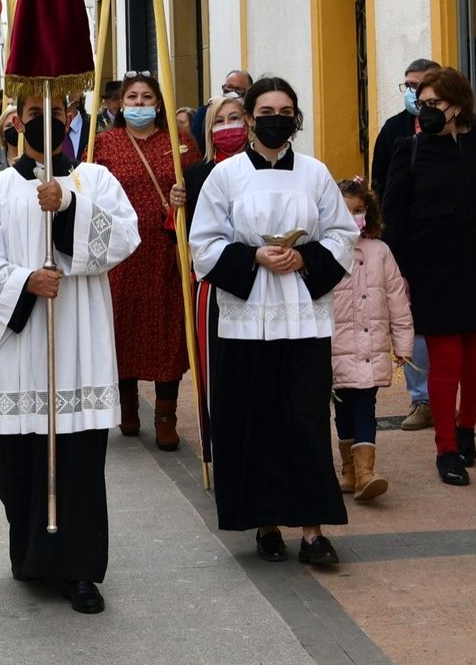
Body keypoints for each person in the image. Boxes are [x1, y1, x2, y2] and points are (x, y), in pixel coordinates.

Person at [0, 93, 141, 614]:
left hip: (79, 343)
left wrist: (70, 208)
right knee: (17, 460)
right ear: (17, 121)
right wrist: (24, 281)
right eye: (36, 113)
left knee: (80, 459)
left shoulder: (95, 181)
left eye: (58, 112)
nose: (47, 120)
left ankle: (81, 569)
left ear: (70, 120)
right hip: (21, 347)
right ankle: (32, 554)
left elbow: (126, 236)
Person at [188, 76, 356, 566]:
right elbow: (203, 245)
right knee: (252, 418)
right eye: (266, 109)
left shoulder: (316, 174)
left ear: (295, 117)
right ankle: (264, 523)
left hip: (303, 319)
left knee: (304, 419)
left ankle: (312, 530)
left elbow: (344, 234)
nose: (276, 117)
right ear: (250, 116)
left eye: (285, 109)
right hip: (244, 320)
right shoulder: (225, 177)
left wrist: (305, 260)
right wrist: (256, 255)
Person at [382, 67, 476, 487]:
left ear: (458, 106)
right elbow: (394, 216)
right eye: (421, 103)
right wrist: (402, 273)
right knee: (446, 363)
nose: (425, 110)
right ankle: (446, 449)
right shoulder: (408, 149)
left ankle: (467, 427)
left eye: (434, 104)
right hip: (434, 270)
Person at [91, 73, 202, 450]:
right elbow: (86, 191)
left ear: (159, 102)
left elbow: (202, 189)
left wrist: (184, 196)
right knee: (121, 327)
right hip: (120, 254)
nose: (139, 104)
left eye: (146, 97)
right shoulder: (102, 144)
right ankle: (127, 406)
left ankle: (166, 415)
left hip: (164, 250)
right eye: (132, 98)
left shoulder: (180, 142)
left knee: (167, 332)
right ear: (120, 104)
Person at [329, 176, 414, 502]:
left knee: (364, 407)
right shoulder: (327, 252)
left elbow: (398, 301)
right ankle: (349, 471)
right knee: (342, 411)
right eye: (345, 211)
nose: (353, 218)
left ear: (370, 214)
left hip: (370, 349)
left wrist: (403, 344)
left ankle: (365, 472)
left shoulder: (381, 252)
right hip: (335, 349)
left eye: (359, 210)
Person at [181, 93, 250, 470]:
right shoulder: (196, 174)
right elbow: (188, 235)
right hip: (215, 286)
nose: (228, 127)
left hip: (266, 288)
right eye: (219, 121)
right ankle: (221, 455)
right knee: (218, 374)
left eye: (235, 118)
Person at [372, 58, 441, 432]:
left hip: (444, 245)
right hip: (406, 242)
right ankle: (422, 399)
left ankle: (446, 395)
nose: (413, 93)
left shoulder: (459, 129)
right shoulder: (393, 130)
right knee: (409, 322)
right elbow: (379, 185)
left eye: (420, 85)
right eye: (408, 85)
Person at [190, 69, 252, 152]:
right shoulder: (205, 113)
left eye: (238, 90)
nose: (232, 93)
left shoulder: (252, 115)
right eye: (229, 88)